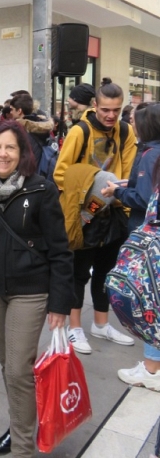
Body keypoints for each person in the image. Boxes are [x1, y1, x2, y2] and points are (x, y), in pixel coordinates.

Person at [0, 119, 74, 458]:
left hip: (31, 289)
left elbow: (60, 249)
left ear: (22, 152)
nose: (2, 154)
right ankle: (20, 424)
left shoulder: (41, 189)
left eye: (10, 147)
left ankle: (23, 447)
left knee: (20, 368)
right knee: (9, 366)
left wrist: (60, 303)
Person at [54, 77, 137, 354]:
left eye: (116, 109)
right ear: (95, 105)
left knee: (106, 271)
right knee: (79, 272)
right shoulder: (81, 131)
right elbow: (60, 173)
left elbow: (128, 171)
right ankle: (74, 327)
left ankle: (100, 324)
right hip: (85, 213)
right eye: (105, 109)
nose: (110, 115)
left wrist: (120, 203)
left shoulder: (125, 132)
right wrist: (90, 191)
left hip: (113, 213)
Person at [99, 103, 160, 390]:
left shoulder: (150, 155)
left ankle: (151, 368)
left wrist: (118, 191)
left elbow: (146, 201)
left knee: (148, 298)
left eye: (134, 120)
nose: (129, 124)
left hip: (146, 240)